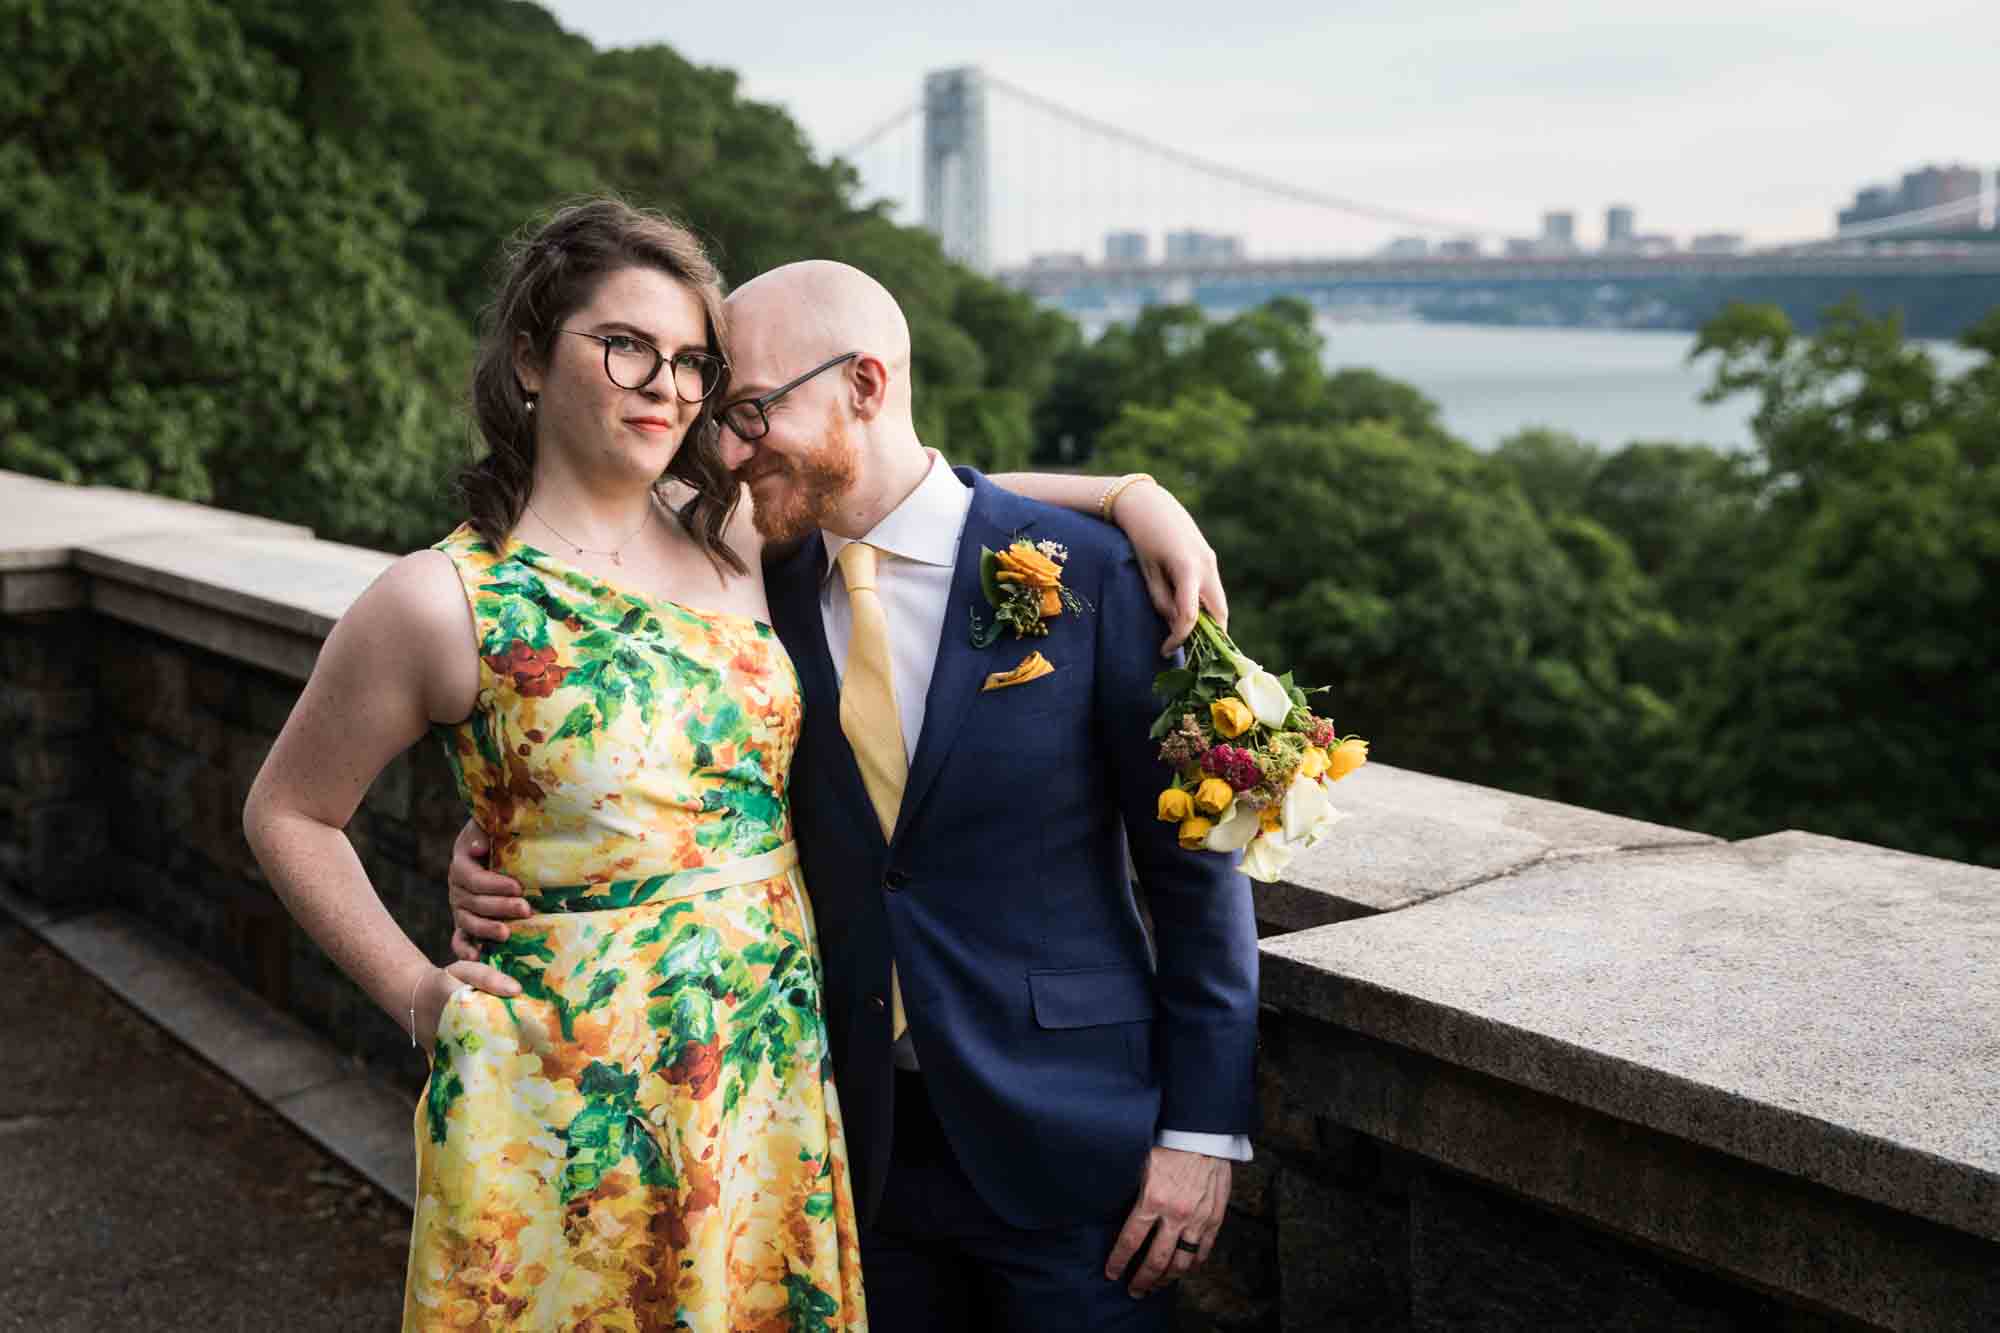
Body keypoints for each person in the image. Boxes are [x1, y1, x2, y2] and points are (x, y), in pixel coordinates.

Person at [245, 199, 1228, 1330]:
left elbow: (906, 487)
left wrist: (1126, 495)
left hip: (769, 1085)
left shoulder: (741, 538)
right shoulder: (441, 600)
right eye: (624, 347)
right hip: (569, 1090)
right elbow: (288, 811)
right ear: (526, 358)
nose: (663, 385)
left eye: (691, 364)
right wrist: (417, 992)